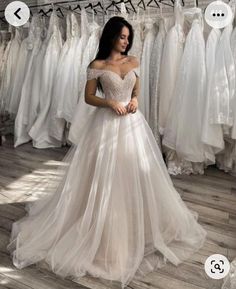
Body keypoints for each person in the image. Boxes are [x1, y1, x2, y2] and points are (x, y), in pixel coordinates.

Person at [7, 16, 207, 289]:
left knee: (135, 175)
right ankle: (103, 231)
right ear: (111, 36)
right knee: (104, 179)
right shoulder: (97, 65)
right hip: (106, 125)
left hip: (133, 125)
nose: (126, 42)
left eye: (128, 37)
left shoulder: (133, 61)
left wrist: (134, 100)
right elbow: (89, 97)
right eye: (122, 36)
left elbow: (135, 87)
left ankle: (138, 224)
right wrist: (110, 102)